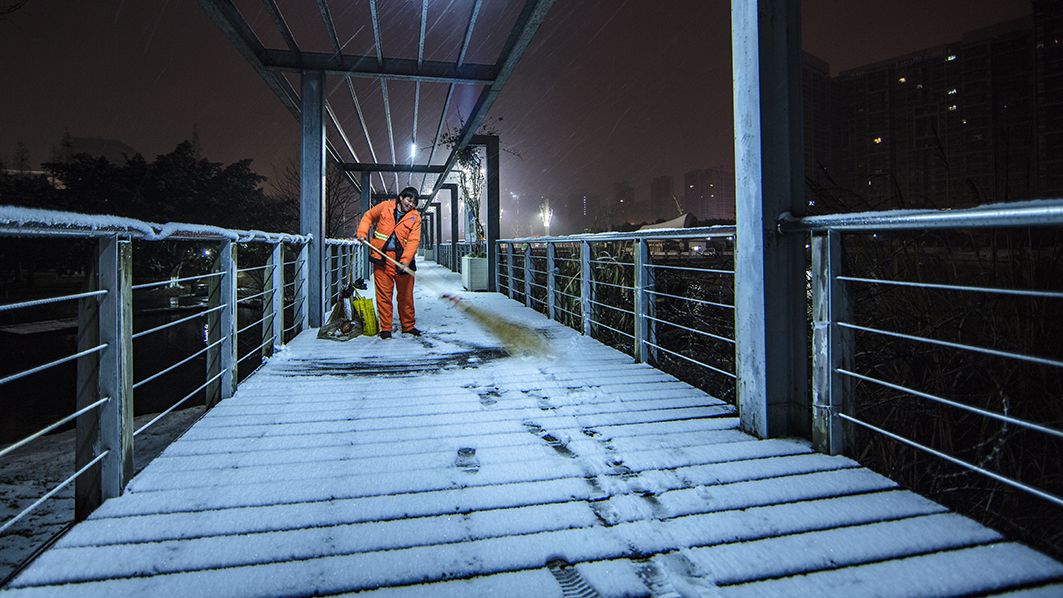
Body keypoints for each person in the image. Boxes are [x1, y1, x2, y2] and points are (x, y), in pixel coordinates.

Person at [357, 187, 423, 339]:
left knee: (406, 297)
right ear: (401, 197)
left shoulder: (415, 217)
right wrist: (361, 233)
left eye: (414, 202)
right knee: (384, 295)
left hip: (403, 262)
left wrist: (405, 261)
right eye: (409, 200)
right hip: (382, 259)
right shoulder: (385, 206)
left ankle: (408, 326)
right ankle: (385, 328)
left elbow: (413, 241)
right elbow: (368, 216)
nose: (411, 204)